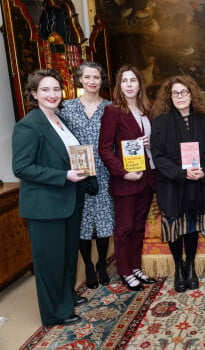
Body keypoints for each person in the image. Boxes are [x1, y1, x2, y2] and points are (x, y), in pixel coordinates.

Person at [12, 68, 98, 327]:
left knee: (68, 255)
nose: (52, 94)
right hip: (46, 206)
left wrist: (86, 176)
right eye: (45, 90)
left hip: (69, 201)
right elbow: (22, 168)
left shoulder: (62, 121)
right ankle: (55, 313)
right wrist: (64, 176)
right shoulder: (28, 125)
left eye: (56, 89)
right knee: (50, 261)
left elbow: (73, 155)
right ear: (34, 93)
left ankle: (66, 296)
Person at [150, 75, 205, 293]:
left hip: (197, 183)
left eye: (184, 92)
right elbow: (158, 157)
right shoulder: (160, 122)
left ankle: (190, 266)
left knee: (192, 227)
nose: (180, 97)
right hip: (172, 183)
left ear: (192, 94)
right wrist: (181, 173)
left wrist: (203, 171)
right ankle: (178, 266)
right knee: (174, 229)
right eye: (175, 93)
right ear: (169, 96)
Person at [99, 65, 157, 291]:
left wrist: (151, 144)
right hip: (126, 180)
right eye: (125, 81)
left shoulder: (148, 110)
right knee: (125, 228)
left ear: (140, 84)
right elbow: (104, 149)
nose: (130, 85)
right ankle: (124, 270)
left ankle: (135, 267)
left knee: (139, 227)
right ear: (119, 85)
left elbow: (154, 143)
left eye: (133, 80)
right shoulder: (113, 111)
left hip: (147, 177)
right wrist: (123, 172)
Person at [60, 62, 114, 289]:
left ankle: (102, 263)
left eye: (97, 77)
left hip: (104, 171)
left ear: (102, 80)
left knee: (103, 221)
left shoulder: (111, 108)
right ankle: (88, 266)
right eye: (88, 77)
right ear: (80, 79)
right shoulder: (66, 108)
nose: (92, 81)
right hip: (79, 172)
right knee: (82, 223)